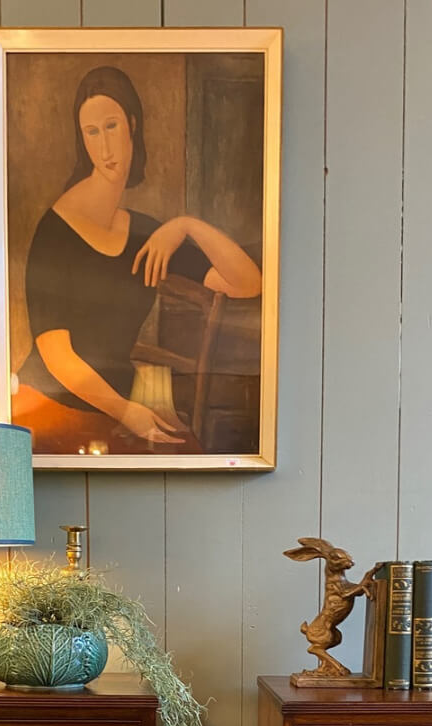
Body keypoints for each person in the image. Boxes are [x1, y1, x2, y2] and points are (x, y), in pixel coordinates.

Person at [13, 65, 262, 455]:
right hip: (52, 403)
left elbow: (248, 283)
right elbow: (57, 356)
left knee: (190, 459)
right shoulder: (56, 231)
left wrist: (188, 225)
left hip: (121, 406)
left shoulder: (148, 235)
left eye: (111, 126)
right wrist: (127, 411)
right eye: (91, 133)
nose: (105, 148)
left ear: (132, 124)